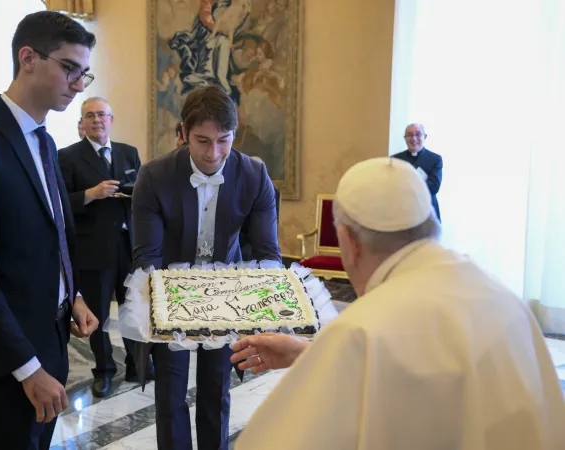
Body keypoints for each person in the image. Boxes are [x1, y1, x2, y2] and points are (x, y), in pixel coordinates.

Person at [231, 157, 565, 450]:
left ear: (348, 241)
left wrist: (329, 355)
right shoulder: (502, 298)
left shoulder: (361, 331)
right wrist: (313, 354)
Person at [0, 11, 99, 450]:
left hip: (51, 334)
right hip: (3, 355)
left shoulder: (44, 140)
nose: (79, 84)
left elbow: (50, 235)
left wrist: (74, 295)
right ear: (28, 57)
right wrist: (27, 368)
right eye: (69, 69)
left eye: (84, 73)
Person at [132, 85, 280, 450]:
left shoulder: (254, 175)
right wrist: (158, 312)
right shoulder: (154, 175)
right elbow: (146, 258)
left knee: (217, 393)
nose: (213, 153)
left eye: (223, 140)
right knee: (170, 397)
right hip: (168, 295)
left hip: (225, 298)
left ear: (235, 134)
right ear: (183, 133)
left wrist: (260, 309)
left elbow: (268, 253)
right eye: (201, 140)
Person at [58, 97, 152, 397]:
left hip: (128, 246)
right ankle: (104, 370)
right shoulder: (68, 157)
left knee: (133, 309)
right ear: (82, 123)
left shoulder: (128, 152)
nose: (97, 120)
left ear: (111, 119)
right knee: (97, 313)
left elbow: (140, 191)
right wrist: (90, 193)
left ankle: (137, 364)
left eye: (102, 115)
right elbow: (60, 203)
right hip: (93, 249)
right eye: (90, 115)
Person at [392, 123, 443, 220]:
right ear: (405, 138)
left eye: (418, 134)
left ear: (425, 137)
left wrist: (406, 185)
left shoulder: (435, 159)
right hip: (403, 211)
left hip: (427, 211)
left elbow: (434, 187)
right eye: (410, 135)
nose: (414, 138)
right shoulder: (395, 159)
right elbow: (393, 185)